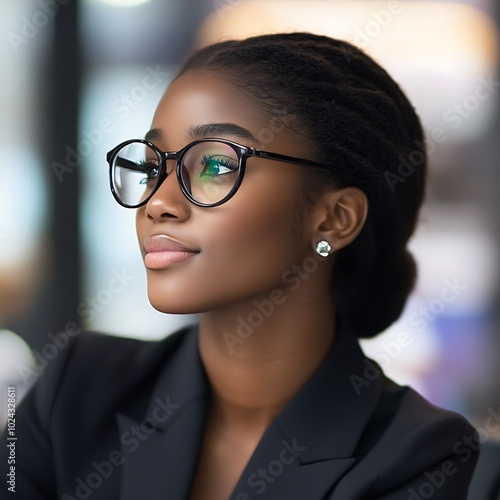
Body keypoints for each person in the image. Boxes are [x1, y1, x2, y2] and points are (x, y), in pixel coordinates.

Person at [1, 32, 479, 499]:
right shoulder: (78, 388)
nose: (158, 202)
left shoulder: (415, 453)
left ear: (334, 218)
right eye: (152, 166)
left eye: (214, 165)